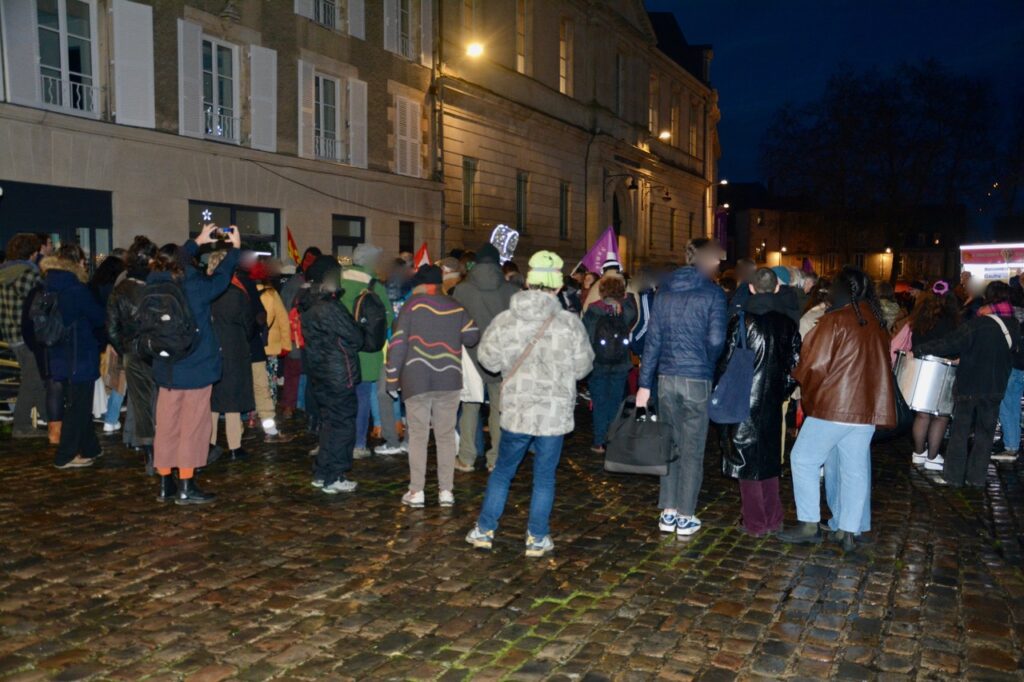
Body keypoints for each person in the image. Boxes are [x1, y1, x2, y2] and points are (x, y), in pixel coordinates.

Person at [465, 251, 594, 556]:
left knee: (503, 472)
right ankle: (537, 537)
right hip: (553, 414)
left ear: (527, 282)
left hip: (517, 410)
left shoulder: (505, 320)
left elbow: (488, 360)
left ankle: (484, 530)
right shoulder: (569, 324)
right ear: (558, 286)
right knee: (544, 477)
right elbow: (583, 368)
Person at [778, 267, 895, 550]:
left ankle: (809, 524)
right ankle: (848, 529)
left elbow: (814, 364)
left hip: (835, 406)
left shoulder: (834, 319)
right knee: (854, 469)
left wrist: (800, 379)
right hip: (866, 407)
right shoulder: (876, 321)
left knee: (803, 459)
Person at [635, 238, 727, 537]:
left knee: (670, 444)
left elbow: (653, 341)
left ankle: (668, 511)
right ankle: (686, 515)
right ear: (708, 260)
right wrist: (706, 363)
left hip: (666, 378)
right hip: (696, 378)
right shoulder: (713, 293)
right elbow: (716, 340)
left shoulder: (665, 292)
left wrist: (644, 384)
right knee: (692, 449)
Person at [150, 224, 241, 504]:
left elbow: (172, 260)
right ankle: (187, 485)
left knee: (166, 425)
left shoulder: (155, 282)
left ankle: (165, 482)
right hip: (196, 366)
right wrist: (235, 250)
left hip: (166, 366)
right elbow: (222, 277)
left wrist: (195, 242)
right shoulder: (196, 286)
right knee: (193, 427)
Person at [385, 265, 479, 507]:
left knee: (418, 435)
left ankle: (417, 491)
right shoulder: (455, 306)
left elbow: (398, 343)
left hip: (416, 379)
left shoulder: (411, 306)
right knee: (445, 435)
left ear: (422, 285)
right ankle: (446, 491)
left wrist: (392, 378)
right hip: (449, 379)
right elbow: (472, 336)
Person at [916, 281, 1021, 486]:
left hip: (969, 385)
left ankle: (953, 477)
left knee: (960, 432)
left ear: (987, 298)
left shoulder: (977, 324)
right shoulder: (1013, 325)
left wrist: (919, 350)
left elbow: (949, 344)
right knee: (985, 433)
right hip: (995, 386)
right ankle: (977, 478)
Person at [720, 268, 801, 536]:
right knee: (769, 459)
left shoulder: (741, 320)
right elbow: (795, 365)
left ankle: (754, 521)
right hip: (772, 399)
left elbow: (726, 361)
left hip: (744, 397)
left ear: (751, 289)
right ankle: (774, 518)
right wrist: (782, 391)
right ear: (777, 288)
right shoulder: (788, 323)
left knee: (746, 460)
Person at [451, 243, 519, 471]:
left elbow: (457, 323)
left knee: (470, 406)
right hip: (501, 356)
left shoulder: (462, 290)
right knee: (499, 408)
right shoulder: (511, 290)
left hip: (470, 354)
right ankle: (495, 459)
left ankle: (466, 457)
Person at [300, 255, 364, 493]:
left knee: (329, 423)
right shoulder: (329, 307)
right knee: (343, 424)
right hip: (339, 373)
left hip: (320, 373)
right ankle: (335, 475)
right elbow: (355, 336)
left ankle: (322, 471)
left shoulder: (309, 303)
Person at [40, 250, 106, 468]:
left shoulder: (48, 286)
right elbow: (98, 317)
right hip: (80, 355)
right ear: (76, 264)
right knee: (78, 407)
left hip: (59, 354)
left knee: (79, 404)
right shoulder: (76, 289)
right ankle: (65, 455)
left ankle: (91, 447)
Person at [106, 236, 158, 468]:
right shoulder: (154, 287)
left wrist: (125, 348)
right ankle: (156, 451)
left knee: (141, 403)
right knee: (156, 403)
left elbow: (112, 327)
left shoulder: (120, 289)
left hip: (133, 352)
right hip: (154, 350)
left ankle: (148, 451)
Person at [339, 244, 394, 459]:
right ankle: (358, 444)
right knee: (362, 397)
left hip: (340, 349)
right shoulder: (374, 285)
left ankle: (337, 441)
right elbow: (388, 318)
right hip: (367, 352)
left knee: (341, 398)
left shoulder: (339, 279)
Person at [902, 281, 960, 470]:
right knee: (941, 415)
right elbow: (952, 346)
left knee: (922, 414)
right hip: (943, 370)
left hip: (921, 368)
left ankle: (918, 453)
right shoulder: (951, 321)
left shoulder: (920, 319)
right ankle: (932, 457)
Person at [208, 249, 256, 463]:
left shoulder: (205, 291)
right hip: (234, 349)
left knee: (212, 401)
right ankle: (235, 446)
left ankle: (209, 444)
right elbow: (249, 323)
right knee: (232, 401)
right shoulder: (237, 293)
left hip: (210, 349)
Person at [583, 273, 638, 453]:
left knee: (600, 403)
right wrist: (625, 297)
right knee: (615, 402)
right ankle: (612, 441)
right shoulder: (626, 311)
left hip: (597, 363)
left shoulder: (593, 310)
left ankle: (599, 441)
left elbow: (586, 336)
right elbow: (634, 313)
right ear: (621, 292)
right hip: (621, 363)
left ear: (601, 291)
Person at [1, 233, 48, 439]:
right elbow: (40, 305)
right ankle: (21, 425)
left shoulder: (3, 273)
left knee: (34, 377)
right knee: (33, 379)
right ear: (33, 253)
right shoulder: (29, 274)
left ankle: (50, 418)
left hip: (10, 334)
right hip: (29, 335)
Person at [279, 247, 321, 418]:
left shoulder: (306, 283)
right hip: (297, 335)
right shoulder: (297, 283)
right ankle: (293, 406)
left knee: (299, 373)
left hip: (304, 336)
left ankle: (297, 406)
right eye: (307, 260)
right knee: (295, 371)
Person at [993, 283, 1024, 462]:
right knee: (1013, 405)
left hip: (1014, 365)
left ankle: (1011, 447)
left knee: (1008, 406)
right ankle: (1012, 444)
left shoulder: (1008, 318)